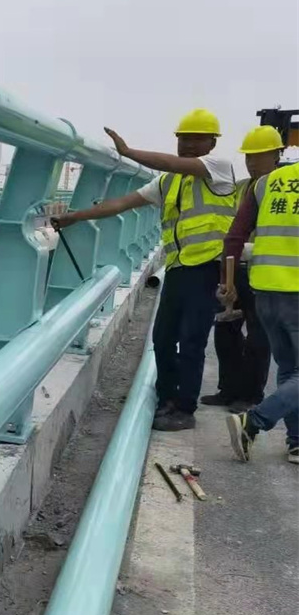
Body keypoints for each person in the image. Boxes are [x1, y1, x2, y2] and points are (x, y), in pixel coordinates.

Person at [53, 109, 236, 431]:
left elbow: (172, 163)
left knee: (192, 341)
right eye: (184, 139)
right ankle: (166, 397)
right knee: (163, 338)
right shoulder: (166, 183)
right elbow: (121, 204)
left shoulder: (218, 169)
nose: (190, 145)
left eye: (198, 139)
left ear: (212, 143)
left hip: (208, 267)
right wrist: (76, 216)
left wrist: (128, 153)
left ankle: (184, 409)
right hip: (179, 267)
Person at [223, 159, 299, 464]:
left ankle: (296, 441)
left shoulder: (269, 181)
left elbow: (235, 236)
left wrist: (227, 283)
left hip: (266, 288)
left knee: (291, 369)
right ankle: (254, 421)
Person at [201, 127, 282, 411]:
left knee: (258, 337)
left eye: (258, 156)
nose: (252, 161)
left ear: (276, 155)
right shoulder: (244, 187)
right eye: (249, 156)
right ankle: (229, 389)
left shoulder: (279, 188)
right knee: (226, 330)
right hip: (235, 266)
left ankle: (250, 395)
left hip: (263, 271)